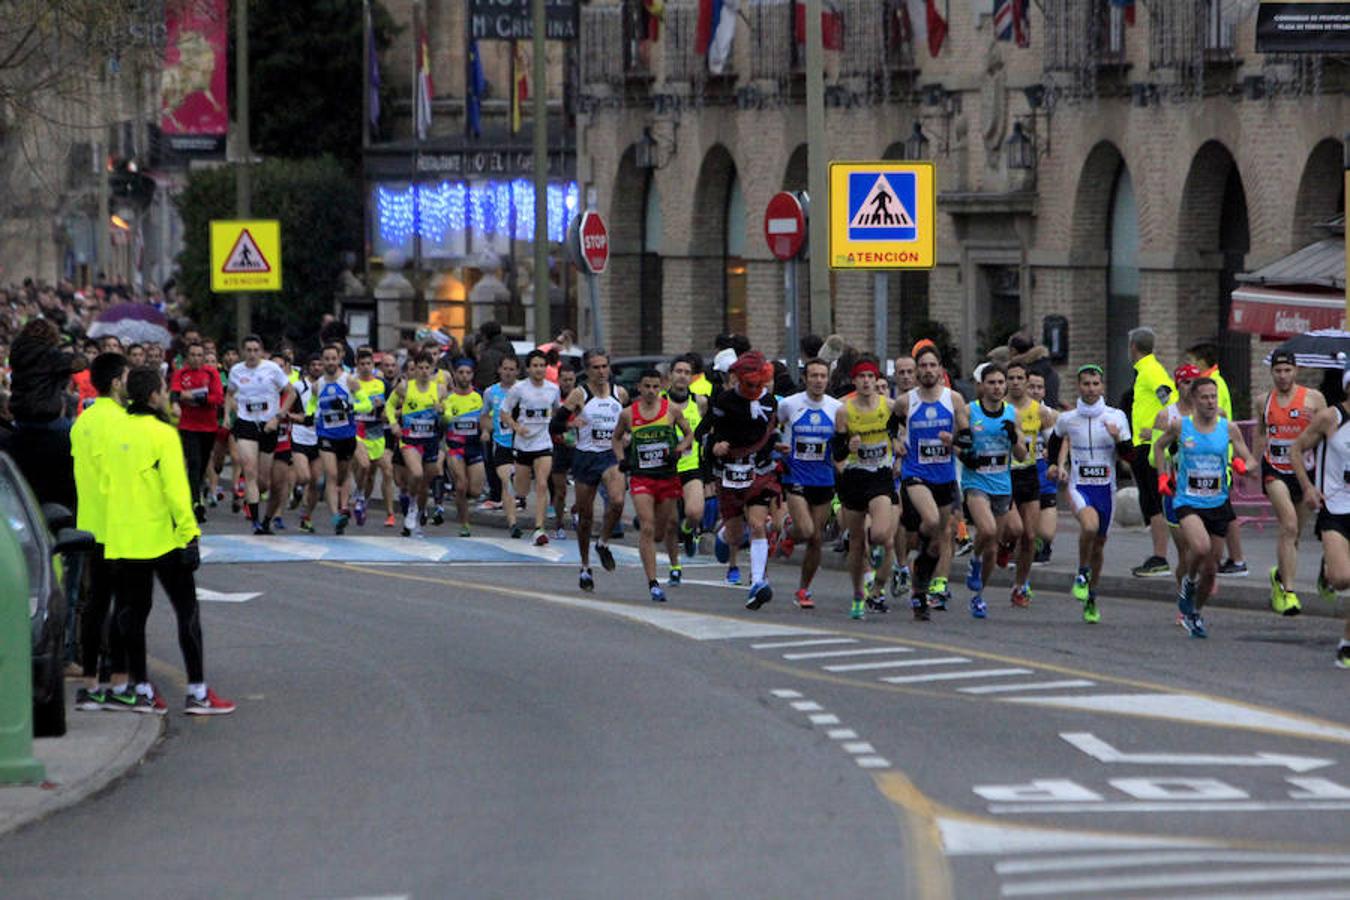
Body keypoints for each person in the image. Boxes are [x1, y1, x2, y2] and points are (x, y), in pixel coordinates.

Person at [102, 367, 235, 714]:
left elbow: (105, 485)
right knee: (186, 613)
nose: (165, 394)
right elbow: (177, 492)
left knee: (133, 614)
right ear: (153, 396)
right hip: (163, 539)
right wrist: (190, 537)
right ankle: (197, 692)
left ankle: (142, 689)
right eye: (162, 389)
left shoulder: (113, 432)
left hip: (125, 538)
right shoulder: (164, 434)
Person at [1154, 377, 1257, 639]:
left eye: (1214, 397)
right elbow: (1158, 446)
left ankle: (1194, 613)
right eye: (1205, 397)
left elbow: (1250, 458)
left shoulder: (1229, 428)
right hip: (1188, 500)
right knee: (1199, 548)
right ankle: (1188, 582)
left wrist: (1245, 467)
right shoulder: (1181, 426)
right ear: (1194, 400)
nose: (1210, 402)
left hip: (1218, 502)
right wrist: (1162, 476)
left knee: (1211, 571)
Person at [697, 351, 780, 610]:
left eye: (760, 385)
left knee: (757, 524)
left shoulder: (770, 402)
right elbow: (704, 434)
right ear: (740, 381)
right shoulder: (724, 401)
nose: (756, 390)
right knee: (735, 535)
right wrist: (715, 447)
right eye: (750, 385)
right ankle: (724, 535)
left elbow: (770, 434)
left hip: (759, 471)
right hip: (729, 472)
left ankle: (757, 583)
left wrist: (779, 447)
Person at [1049, 364, 1132, 624]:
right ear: (1078, 386)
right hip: (1079, 487)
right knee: (1089, 526)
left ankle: (1091, 596)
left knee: (1099, 544)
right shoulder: (1068, 418)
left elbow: (1130, 457)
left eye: (1096, 384)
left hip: (1105, 489)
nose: (1091, 389)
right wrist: (1055, 464)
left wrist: (1118, 439)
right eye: (1086, 384)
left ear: (1102, 386)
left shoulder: (1116, 416)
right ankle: (1082, 573)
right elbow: (1054, 441)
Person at [69, 352, 127, 712]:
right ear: (117, 382)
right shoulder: (125, 423)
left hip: (90, 524)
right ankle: (119, 678)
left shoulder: (82, 422)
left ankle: (90, 681)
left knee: (95, 605)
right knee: (125, 605)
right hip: (122, 524)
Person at [894, 344, 967, 620]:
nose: (927, 371)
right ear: (916, 372)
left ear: (940, 370)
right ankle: (919, 550)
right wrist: (895, 441)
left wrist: (955, 441)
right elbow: (890, 425)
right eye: (921, 366)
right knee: (932, 519)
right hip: (916, 475)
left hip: (945, 478)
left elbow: (967, 437)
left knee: (937, 545)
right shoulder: (906, 401)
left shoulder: (954, 400)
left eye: (931, 366)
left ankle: (919, 591)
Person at [611, 369, 693, 602]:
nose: (651, 391)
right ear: (639, 387)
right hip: (641, 478)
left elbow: (689, 435)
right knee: (647, 528)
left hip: (667, 477)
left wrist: (678, 450)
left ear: (662, 387)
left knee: (660, 532)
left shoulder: (672, 410)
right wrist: (621, 460)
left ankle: (653, 530)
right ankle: (653, 583)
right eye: (647, 386)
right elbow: (616, 438)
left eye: (656, 387)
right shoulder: (628, 414)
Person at [1255, 350, 1324, 616]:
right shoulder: (1263, 401)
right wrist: (1252, 461)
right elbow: (1261, 434)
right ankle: (1289, 593)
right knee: (1289, 525)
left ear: (1296, 371)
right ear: (1271, 372)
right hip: (1275, 469)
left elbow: (1326, 432)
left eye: (1287, 371)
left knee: (1293, 535)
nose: (1283, 376)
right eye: (1278, 371)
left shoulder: (1313, 399)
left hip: (1305, 473)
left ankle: (1279, 577)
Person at [1290, 370, 1350, 669]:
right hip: (1335, 507)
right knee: (1342, 579)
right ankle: (1328, 570)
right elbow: (1296, 449)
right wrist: (1308, 487)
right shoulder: (1331, 417)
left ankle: (1347, 643)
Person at [553, 349, 628, 589]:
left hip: (610, 456)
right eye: (596, 367)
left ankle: (603, 542)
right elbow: (555, 424)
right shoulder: (579, 394)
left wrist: (627, 435)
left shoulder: (620, 394)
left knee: (617, 501)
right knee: (585, 518)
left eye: (604, 366)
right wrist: (570, 423)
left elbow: (631, 420)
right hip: (585, 456)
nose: (601, 372)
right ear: (587, 371)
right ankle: (585, 566)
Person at [833, 354, 899, 620]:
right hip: (854, 477)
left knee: (882, 534)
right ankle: (859, 595)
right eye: (861, 377)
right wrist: (846, 447)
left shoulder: (890, 406)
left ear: (877, 380)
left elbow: (899, 432)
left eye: (871, 377)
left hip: (880, 475)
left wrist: (900, 445)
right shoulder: (843, 410)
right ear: (854, 381)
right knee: (857, 543)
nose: (866, 381)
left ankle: (878, 581)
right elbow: (836, 452)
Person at [959, 364, 1026, 619]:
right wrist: (967, 456)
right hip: (976, 482)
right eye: (992, 383)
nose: (997, 387)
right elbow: (957, 444)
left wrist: (1014, 438)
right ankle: (973, 560)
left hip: (1002, 484)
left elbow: (1020, 455)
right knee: (985, 530)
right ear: (982, 386)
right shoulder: (969, 411)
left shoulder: (1011, 413)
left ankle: (978, 596)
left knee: (992, 548)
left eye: (1001, 383)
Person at [778, 358, 842, 610]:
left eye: (822, 376)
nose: (818, 380)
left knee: (815, 539)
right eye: (813, 375)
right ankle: (788, 530)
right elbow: (774, 427)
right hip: (796, 476)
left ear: (828, 379)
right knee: (807, 531)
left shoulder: (837, 408)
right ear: (805, 378)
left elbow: (842, 440)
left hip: (824, 478)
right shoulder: (789, 404)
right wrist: (777, 446)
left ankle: (803, 589)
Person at [1186, 339, 1247, 577]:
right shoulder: (1214, 382)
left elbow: (1213, 417)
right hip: (1217, 455)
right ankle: (1230, 557)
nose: (1190, 366)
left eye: (1192, 361)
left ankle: (1236, 558)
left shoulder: (1214, 385)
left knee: (1225, 513)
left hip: (1219, 459)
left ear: (1203, 362)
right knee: (1226, 511)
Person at [226, 334, 293, 534]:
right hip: (246, 423)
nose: (252, 354)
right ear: (243, 352)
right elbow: (229, 394)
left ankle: (255, 504)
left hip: (268, 425)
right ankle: (255, 520)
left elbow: (291, 392)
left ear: (262, 352)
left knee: (264, 481)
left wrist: (278, 417)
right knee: (250, 470)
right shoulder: (237, 371)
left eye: (256, 350)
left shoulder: (272, 369)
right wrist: (229, 414)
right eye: (249, 350)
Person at [1127, 327, 1176, 579]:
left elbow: (1170, 399)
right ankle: (1158, 555)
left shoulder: (1151, 371)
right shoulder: (1146, 370)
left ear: (1133, 347)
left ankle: (1160, 556)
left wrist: (1157, 431)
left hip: (1149, 449)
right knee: (1149, 501)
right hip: (1142, 446)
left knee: (1153, 502)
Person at [1006, 361, 1056, 606]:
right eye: (1011, 378)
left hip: (1029, 474)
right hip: (1002, 475)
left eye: (1019, 378)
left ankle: (1020, 585)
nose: (1015, 382)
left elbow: (1052, 440)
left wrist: (1053, 458)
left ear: (1027, 381)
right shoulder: (999, 408)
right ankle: (1005, 545)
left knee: (1029, 535)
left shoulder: (1039, 412)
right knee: (1013, 529)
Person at [501, 349, 562, 546]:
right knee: (522, 490)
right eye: (535, 366)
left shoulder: (553, 389)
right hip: (523, 444)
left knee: (543, 483)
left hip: (543, 443)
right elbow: (504, 412)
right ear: (528, 369)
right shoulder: (519, 389)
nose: (539, 369)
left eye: (542, 366)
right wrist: (516, 426)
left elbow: (556, 411)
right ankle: (514, 482)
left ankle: (539, 529)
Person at [312, 343, 368, 534]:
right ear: (322, 361)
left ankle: (341, 503)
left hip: (346, 436)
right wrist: (311, 415)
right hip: (326, 435)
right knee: (332, 474)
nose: (330, 362)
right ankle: (336, 516)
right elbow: (312, 406)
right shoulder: (317, 385)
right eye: (326, 359)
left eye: (333, 359)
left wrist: (350, 408)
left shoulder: (349, 381)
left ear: (339, 360)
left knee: (342, 476)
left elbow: (367, 404)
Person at [386, 351, 443, 538]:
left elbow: (449, 413)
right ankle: (411, 506)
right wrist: (394, 424)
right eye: (420, 368)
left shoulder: (439, 389)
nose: (424, 371)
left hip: (430, 441)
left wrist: (442, 411)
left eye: (428, 368)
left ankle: (418, 513)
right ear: (415, 369)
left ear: (433, 369)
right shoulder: (405, 387)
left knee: (425, 482)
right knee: (416, 473)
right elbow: (389, 405)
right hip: (409, 440)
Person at [170, 341, 223, 523]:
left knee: (202, 465)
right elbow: (175, 394)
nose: (196, 358)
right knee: (194, 462)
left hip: (208, 426)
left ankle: (197, 491)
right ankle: (195, 502)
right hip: (188, 426)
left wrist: (192, 396)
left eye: (200, 355)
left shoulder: (211, 373)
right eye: (193, 355)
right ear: (187, 357)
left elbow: (217, 397)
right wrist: (180, 401)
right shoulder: (181, 374)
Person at [352, 348, 395, 529]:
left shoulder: (382, 384)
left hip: (377, 433)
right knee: (365, 468)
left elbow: (391, 409)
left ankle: (390, 514)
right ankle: (360, 495)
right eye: (362, 364)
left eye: (368, 364)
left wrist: (383, 408)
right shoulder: (351, 384)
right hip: (358, 432)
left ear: (373, 365)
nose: (365, 367)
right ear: (357, 365)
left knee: (386, 471)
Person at [444, 358, 487, 537]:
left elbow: (486, 418)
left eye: (468, 372)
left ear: (472, 375)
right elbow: (444, 420)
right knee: (461, 485)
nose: (464, 376)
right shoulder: (448, 397)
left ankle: (460, 502)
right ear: (455, 374)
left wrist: (485, 430)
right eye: (460, 372)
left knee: (475, 491)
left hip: (474, 447)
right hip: (454, 447)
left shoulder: (479, 396)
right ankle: (465, 523)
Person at [479, 354, 519, 526]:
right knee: (505, 479)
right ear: (499, 370)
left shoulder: (523, 389)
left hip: (522, 443)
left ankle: (517, 502)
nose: (508, 373)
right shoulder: (490, 392)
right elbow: (484, 416)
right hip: (501, 442)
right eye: (505, 369)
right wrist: (486, 430)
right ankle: (513, 523)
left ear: (517, 371)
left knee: (517, 480)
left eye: (512, 369)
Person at [1026, 371, 1060, 565]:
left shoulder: (1052, 415)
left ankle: (1043, 543)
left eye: (1039, 387)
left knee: (1046, 531)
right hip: (1022, 471)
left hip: (1044, 472)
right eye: (1031, 386)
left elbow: (1063, 441)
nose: (1035, 391)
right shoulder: (1013, 412)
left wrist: (1055, 457)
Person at [291, 354, 323, 533]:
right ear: (308, 367)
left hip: (319, 437)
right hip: (300, 436)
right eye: (314, 364)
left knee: (316, 482)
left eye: (320, 364)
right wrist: (300, 418)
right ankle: (296, 489)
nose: (317, 367)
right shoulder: (299, 386)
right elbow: (288, 410)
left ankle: (306, 517)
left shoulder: (328, 385)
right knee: (304, 477)